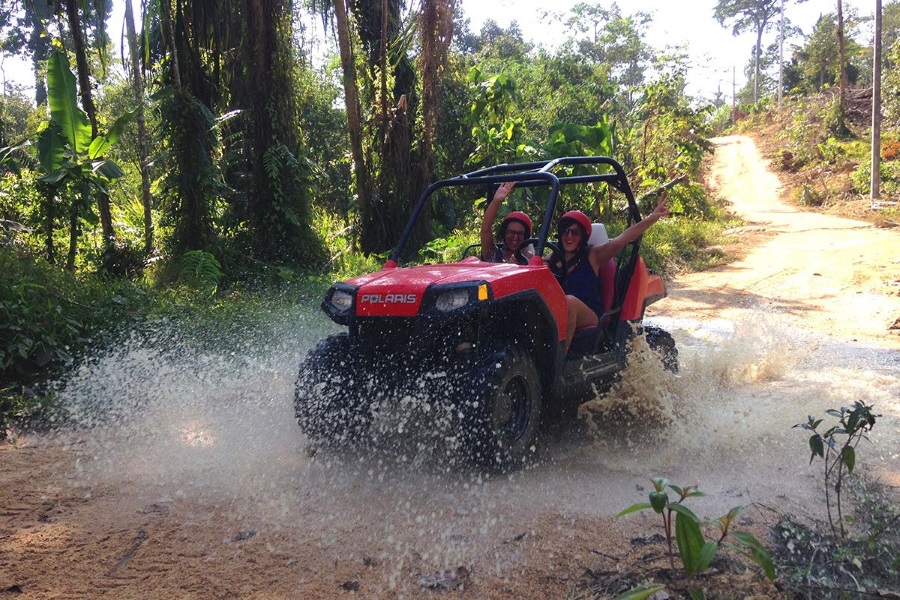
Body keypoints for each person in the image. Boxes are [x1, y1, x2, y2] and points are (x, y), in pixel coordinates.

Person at [551, 195, 670, 355]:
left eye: (575, 232)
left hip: (589, 314)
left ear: (583, 236)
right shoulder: (552, 258)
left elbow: (623, 239)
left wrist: (652, 218)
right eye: (565, 231)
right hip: (558, 312)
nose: (569, 236)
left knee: (570, 302)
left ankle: (557, 363)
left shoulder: (593, 255)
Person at [480, 181, 534, 265]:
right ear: (504, 233)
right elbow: (485, 229)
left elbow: (531, 253)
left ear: (525, 236)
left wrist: (522, 260)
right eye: (511, 232)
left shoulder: (527, 257)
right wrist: (496, 201)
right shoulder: (493, 254)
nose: (515, 237)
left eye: (520, 233)